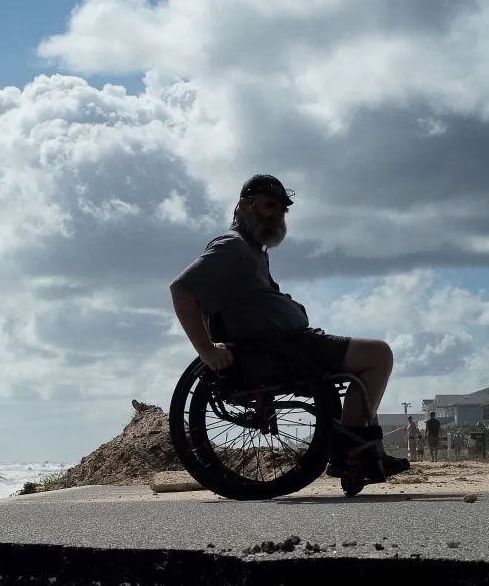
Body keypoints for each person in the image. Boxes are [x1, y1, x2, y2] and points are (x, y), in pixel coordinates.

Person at [169, 174, 408, 485]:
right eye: (270, 206)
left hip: (284, 350)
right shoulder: (231, 247)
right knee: (377, 355)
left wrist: (260, 395)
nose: (278, 215)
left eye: (282, 211)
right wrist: (206, 350)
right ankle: (352, 453)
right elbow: (182, 290)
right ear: (244, 205)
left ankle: (360, 452)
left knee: (366, 367)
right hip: (289, 349)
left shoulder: (253, 252)